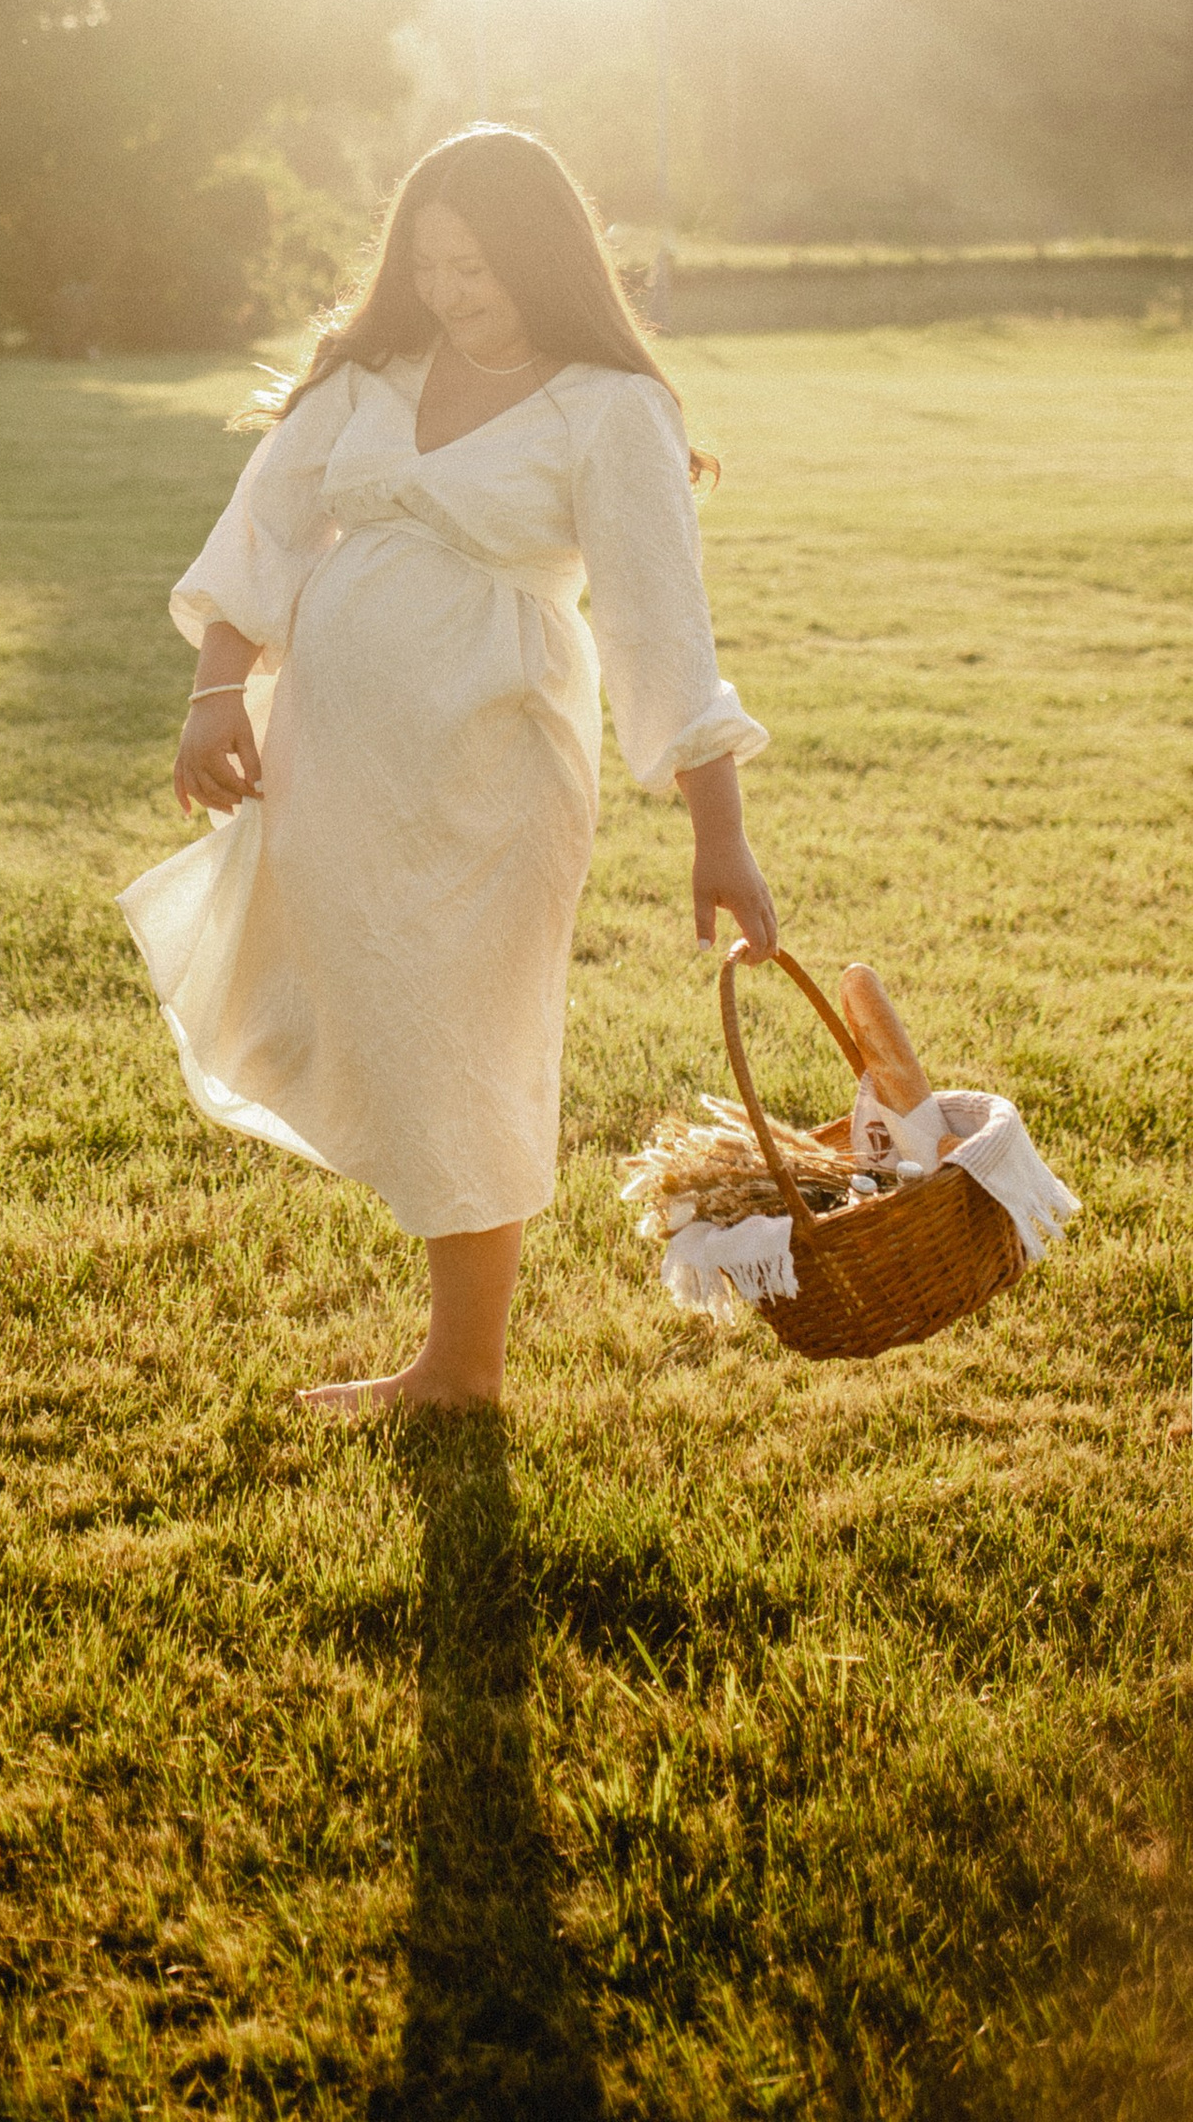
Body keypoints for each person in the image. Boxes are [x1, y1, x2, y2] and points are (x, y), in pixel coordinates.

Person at [119, 124, 776, 1422]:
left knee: (466, 1037)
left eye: (475, 267)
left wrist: (720, 832)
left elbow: (661, 630)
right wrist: (214, 692)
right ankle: (448, 1349)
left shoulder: (608, 406)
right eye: (428, 264)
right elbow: (266, 526)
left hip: (494, 769)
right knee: (369, 1010)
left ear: (542, 256)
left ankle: (460, 1368)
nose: (448, 291)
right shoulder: (371, 374)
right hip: (334, 759)